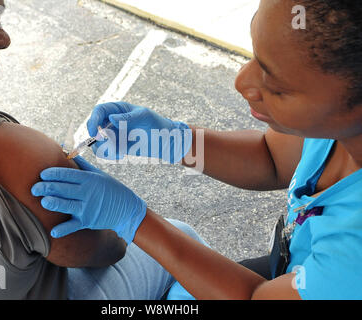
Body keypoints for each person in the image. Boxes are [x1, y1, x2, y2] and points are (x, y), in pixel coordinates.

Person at [32, 0, 362, 300]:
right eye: (256, 57)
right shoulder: (335, 127)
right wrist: (173, 140)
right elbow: (272, 158)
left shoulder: (354, 254)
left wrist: (135, 220)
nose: (242, 81)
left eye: (276, 86)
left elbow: (255, 297)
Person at [0, 0, 198, 299]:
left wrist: (185, 142)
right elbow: (110, 248)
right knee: (183, 241)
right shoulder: (9, 154)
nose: (4, 38)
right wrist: (128, 216)